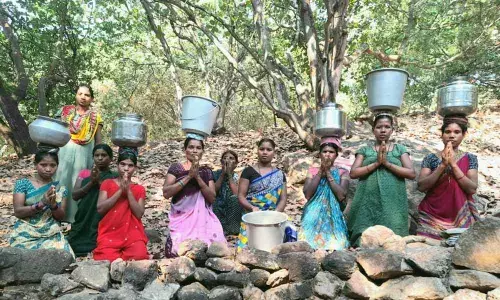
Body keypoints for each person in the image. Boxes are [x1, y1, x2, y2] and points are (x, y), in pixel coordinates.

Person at [348, 113, 416, 246]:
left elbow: (411, 173)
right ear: (373, 129)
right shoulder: (365, 150)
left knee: (394, 236)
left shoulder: (399, 149)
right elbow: (354, 173)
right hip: (368, 198)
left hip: (393, 198)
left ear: (392, 130)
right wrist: (376, 163)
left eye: (387, 127)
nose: (383, 130)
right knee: (365, 233)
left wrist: (386, 163)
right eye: (379, 127)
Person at [417, 115, 479, 240]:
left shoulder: (470, 158)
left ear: (464, 134)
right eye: (447, 132)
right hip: (431, 215)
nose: (452, 136)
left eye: (457, 132)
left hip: (460, 215)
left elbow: (472, 189)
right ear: (442, 134)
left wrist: (453, 164)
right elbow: (421, 186)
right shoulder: (430, 158)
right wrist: (443, 165)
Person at [162, 136, 226, 257]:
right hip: (181, 216)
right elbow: (166, 193)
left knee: (212, 249)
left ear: (202, 151)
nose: (195, 150)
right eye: (191, 147)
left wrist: (197, 177)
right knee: (180, 251)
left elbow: (212, 198)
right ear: (185, 150)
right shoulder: (176, 168)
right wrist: (188, 177)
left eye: (198, 148)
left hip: (204, 217)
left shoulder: (206, 171)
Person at [10, 149, 74, 256]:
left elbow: (61, 217)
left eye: (52, 165)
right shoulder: (23, 183)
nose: (48, 169)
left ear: (57, 166)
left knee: (66, 257)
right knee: (20, 259)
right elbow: (18, 212)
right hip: (25, 233)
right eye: (43, 165)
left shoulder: (60, 188)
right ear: (35, 165)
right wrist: (41, 204)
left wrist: (53, 205)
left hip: (51, 233)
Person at [56, 84, 103, 223]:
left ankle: (76, 218)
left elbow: (98, 139)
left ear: (92, 99)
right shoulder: (66, 112)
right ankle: (57, 215)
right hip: (64, 150)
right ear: (76, 95)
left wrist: (99, 158)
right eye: (80, 94)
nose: (83, 97)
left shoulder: (96, 117)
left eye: (87, 95)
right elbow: (56, 131)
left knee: (79, 181)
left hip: (85, 152)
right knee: (62, 179)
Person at [93, 147, 149, 261]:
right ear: (117, 165)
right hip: (110, 232)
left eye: (130, 165)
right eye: (123, 164)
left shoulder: (139, 189)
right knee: (105, 259)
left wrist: (128, 191)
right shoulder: (107, 183)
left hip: (132, 233)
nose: (126, 169)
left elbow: (139, 214)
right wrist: (120, 191)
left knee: (140, 256)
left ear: (135, 168)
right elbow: (100, 208)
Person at [299, 137, 349, 250]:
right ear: (320, 154)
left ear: (336, 155)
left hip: (334, 214)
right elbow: (308, 194)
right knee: (306, 243)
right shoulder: (312, 171)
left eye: (331, 152)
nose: (327, 155)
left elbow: (341, 195)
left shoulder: (343, 172)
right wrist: (321, 172)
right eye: (324, 151)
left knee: (338, 245)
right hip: (313, 212)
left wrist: (329, 174)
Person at [237, 138, 287, 250]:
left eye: (269, 149)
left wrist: (276, 214)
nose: (265, 152)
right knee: (245, 250)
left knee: (274, 248)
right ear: (257, 151)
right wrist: (252, 208)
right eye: (262, 149)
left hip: (273, 217)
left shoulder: (279, 174)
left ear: (274, 152)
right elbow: (241, 196)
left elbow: (283, 198)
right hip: (252, 216)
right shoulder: (248, 172)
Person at [67, 144, 117, 257]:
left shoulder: (115, 176)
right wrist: (91, 183)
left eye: (103, 155)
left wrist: (99, 183)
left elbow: (115, 197)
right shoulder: (84, 174)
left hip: (103, 216)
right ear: (93, 157)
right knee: (74, 241)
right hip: (84, 215)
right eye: (96, 155)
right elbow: (75, 195)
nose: (100, 158)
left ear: (111, 158)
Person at [212, 150, 244, 236]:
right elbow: (213, 191)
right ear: (221, 161)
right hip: (217, 208)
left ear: (236, 163)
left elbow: (237, 195)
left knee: (236, 199)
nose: (228, 160)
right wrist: (223, 174)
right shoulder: (215, 174)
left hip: (231, 209)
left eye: (231, 158)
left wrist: (229, 174)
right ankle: (218, 227)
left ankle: (232, 228)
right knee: (212, 199)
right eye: (225, 158)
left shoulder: (239, 176)